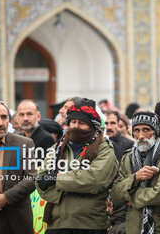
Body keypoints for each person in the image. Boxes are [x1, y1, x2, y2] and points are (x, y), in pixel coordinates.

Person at [36, 98, 119, 234]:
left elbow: (95, 180)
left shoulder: (104, 149)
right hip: (56, 224)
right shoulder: (56, 148)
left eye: (81, 123)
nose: (75, 126)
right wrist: (74, 184)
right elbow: (41, 182)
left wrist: (57, 179)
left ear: (92, 126)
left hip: (89, 225)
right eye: (73, 122)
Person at [111, 111, 160, 234]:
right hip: (134, 227)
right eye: (136, 130)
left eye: (146, 130)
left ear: (156, 132)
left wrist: (132, 197)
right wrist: (135, 177)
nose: (141, 135)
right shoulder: (128, 157)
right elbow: (116, 195)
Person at [0, 101, 36, 234]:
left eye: (4, 117)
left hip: (16, 221)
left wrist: (6, 198)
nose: (0, 122)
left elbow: (32, 178)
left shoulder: (24, 144)